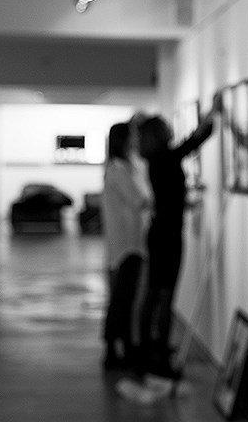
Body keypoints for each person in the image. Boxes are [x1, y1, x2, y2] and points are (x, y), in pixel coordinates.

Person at [137, 94, 221, 378]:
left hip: (160, 230)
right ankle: (158, 358)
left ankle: (148, 352)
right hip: (168, 235)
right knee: (164, 295)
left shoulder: (155, 160)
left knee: (154, 293)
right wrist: (212, 113)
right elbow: (195, 140)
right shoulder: (165, 158)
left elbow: (168, 197)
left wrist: (185, 202)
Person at [101, 121, 150, 369]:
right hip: (126, 246)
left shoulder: (121, 169)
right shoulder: (118, 172)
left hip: (128, 243)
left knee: (123, 298)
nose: (135, 141)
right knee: (122, 299)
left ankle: (120, 347)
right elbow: (138, 200)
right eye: (131, 137)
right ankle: (116, 350)